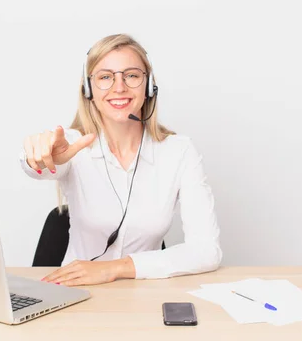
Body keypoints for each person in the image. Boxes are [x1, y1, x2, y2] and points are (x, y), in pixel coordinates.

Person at [20, 34, 222, 286]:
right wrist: (37, 159)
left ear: (148, 87)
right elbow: (41, 166)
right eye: (105, 77)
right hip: (74, 294)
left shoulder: (178, 151)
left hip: (145, 296)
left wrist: (115, 268)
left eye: (132, 76)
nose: (119, 87)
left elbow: (206, 251)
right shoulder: (71, 144)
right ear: (88, 88)